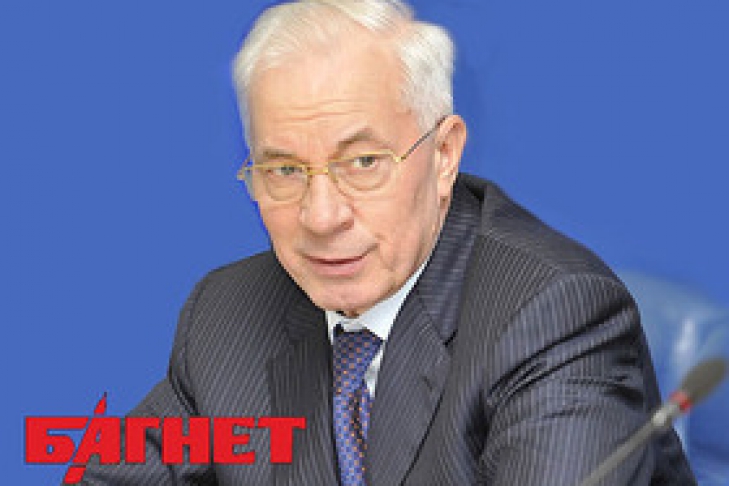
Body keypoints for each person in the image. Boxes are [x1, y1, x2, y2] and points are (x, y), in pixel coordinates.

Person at [81, 0, 696, 484]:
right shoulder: (225, 314)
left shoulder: (555, 316)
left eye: (363, 162)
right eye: (285, 170)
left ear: (444, 155)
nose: (321, 217)